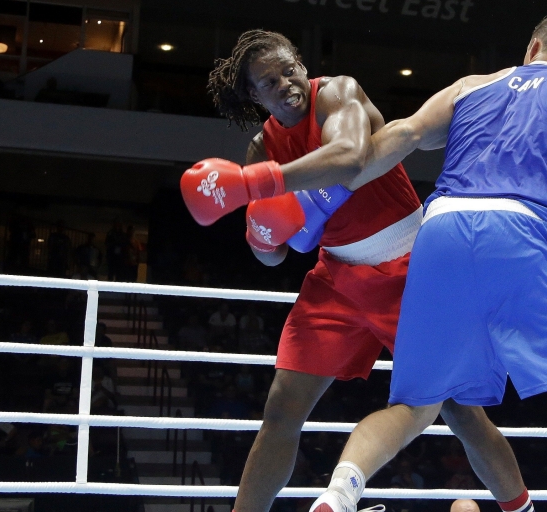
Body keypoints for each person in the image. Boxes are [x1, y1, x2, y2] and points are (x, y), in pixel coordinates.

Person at [303, 5, 547, 512]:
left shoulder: (469, 85)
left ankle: (339, 493)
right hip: (520, 228)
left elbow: (403, 135)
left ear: (531, 49)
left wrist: (319, 195)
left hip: (440, 232)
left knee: (414, 405)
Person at [197, 29, 529, 512]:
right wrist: (261, 234)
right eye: (270, 81)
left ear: (303, 65)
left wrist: (258, 184)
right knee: (281, 410)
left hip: (412, 272)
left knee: (461, 411)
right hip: (337, 280)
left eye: (290, 69)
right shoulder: (261, 150)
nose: (286, 83)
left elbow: (350, 156)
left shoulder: (337, 93)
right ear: (253, 95)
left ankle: (521, 507)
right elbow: (273, 257)